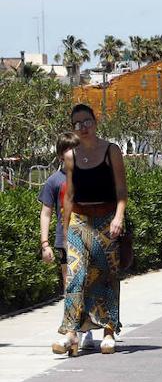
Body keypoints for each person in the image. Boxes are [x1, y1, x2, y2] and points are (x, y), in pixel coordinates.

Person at [52, 104, 127, 356]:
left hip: (106, 220)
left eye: (86, 122)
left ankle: (108, 330)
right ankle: (71, 333)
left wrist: (119, 216)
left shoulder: (111, 151)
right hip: (79, 221)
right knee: (75, 276)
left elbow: (121, 190)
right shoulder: (71, 156)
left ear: (95, 121)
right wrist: (64, 230)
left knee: (106, 276)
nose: (82, 128)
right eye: (77, 124)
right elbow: (69, 195)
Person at [39, 132, 96, 351]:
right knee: (70, 286)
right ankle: (75, 331)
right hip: (64, 241)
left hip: (88, 238)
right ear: (61, 155)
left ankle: (86, 329)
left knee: (87, 284)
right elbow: (46, 213)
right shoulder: (54, 181)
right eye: (70, 150)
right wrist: (45, 244)